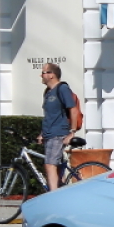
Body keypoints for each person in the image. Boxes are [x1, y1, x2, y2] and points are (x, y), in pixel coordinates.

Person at [38, 64, 78, 192]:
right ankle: (60, 192)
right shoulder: (48, 92)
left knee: (50, 165)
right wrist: (42, 133)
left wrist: (72, 132)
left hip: (58, 133)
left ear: (52, 75)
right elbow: (50, 116)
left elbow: (73, 109)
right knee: (55, 166)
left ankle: (52, 196)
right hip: (49, 134)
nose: (41, 75)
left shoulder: (62, 88)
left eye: (44, 72)